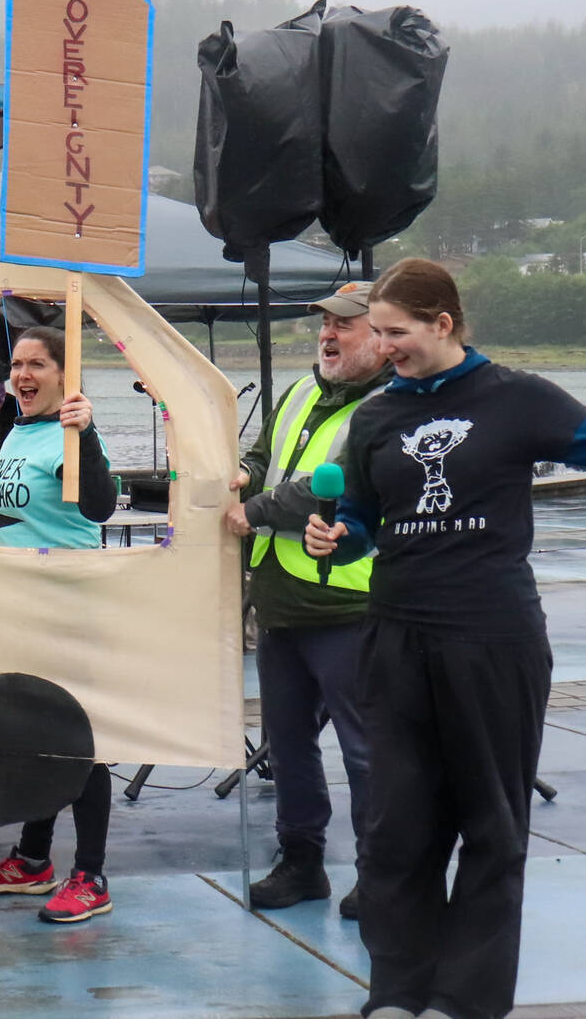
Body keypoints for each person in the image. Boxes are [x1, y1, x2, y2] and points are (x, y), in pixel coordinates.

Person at [304, 258, 586, 1019]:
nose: (382, 348)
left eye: (396, 332)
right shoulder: (377, 417)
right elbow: (361, 520)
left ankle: (463, 1000)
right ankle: (397, 992)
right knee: (395, 830)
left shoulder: (518, 399)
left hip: (491, 638)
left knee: (492, 826)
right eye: (375, 334)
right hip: (396, 640)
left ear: (443, 324)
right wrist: (336, 535)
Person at [224, 280, 388, 918]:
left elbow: (334, 490)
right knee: (287, 742)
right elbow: (266, 455)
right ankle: (301, 862)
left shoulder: (385, 409)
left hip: (349, 610)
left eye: (344, 325)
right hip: (283, 605)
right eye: (324, 322)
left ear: (382, 338)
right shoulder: (299, 392)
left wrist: (253, 509)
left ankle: (379, 874)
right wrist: (242, 471)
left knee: (367, 751)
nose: (327, 333)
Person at [0, 325, 120, 926]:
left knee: (79, 740)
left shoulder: (66, 433)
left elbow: (100, 508)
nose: (22, 375)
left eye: (37, 365)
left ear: (63, 375)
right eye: (17, 364)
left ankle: (91, 873)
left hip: (67, 607)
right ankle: (32, 860)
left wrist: (89, 432)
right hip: (19, 607)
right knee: (38, 738)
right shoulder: (19, 432)